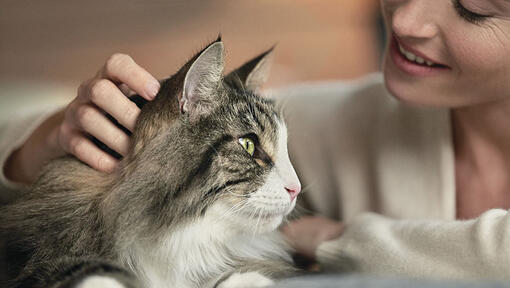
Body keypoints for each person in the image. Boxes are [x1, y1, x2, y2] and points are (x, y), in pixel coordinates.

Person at [1, 0, 510, 281]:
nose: (404, 19)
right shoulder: (346, 122)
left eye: (472, 7)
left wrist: (341, 241)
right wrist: (42, 140)